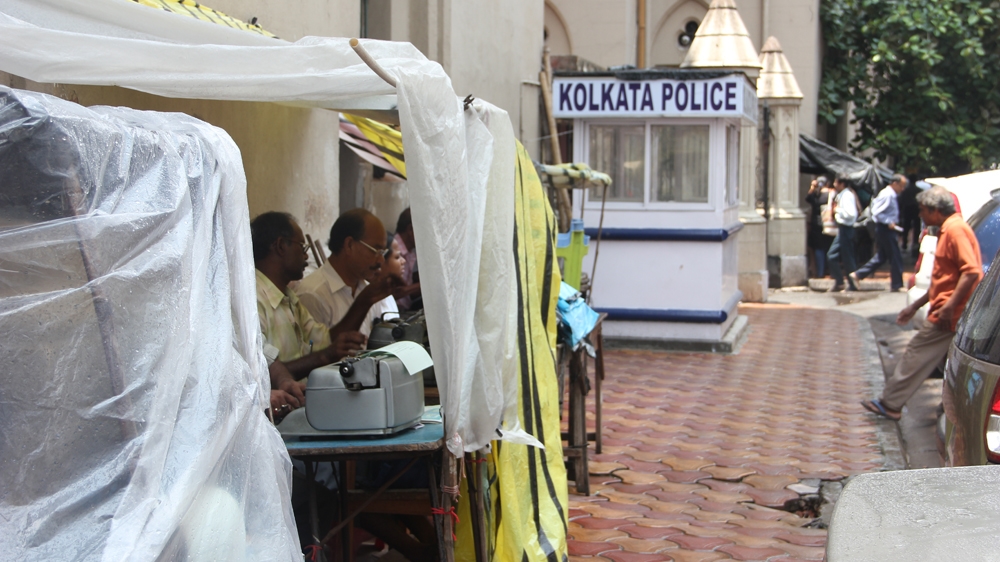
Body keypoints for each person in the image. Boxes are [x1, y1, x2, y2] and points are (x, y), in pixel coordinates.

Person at [862, 186, 982, 420]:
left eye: (923, 210)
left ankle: (891, 402)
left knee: (917, 354)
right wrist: (915, 306)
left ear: (935, 211)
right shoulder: (949, 229)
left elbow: (971, 272)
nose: (920, 215)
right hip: (949, 310)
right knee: (952, 367)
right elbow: (945, 279)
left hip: (949, 314)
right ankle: (949, 410)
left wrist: (949, 306)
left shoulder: (955, 230)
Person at [250, 211, 366, 415]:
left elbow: (323, 341)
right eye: (302, 248)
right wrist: (326, 355)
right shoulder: (252, 300)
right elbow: (260, 363)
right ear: (281, 246)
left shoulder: (290, 299)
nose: (306, 257)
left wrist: (366, 301)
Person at [295, 208, 403, 336]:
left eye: (383, 253)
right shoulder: (313, 295)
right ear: (349, 245)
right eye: (376, 251)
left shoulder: (366, 289)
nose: (381, 260)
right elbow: (316, 347)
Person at [850, 174, 908, 291]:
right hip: (885, 229)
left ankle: (858, 274)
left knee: (881, 257)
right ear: (894, 183)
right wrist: (888, 222)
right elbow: (876, 211)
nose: (902, 189)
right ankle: (897, 285)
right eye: (901, 186)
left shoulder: (890, 194)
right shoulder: (887, 194)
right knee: (895, 256)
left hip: (886, 229)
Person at [826, 175, 861, 292]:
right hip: (842, 229)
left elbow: (851, 214)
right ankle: (840, 281)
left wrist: (837, 210)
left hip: (846, 228)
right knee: (832, 255)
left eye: (836, 182)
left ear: (842, 183)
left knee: (847, 258)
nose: (834, 184)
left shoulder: (847, 196)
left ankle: (852, 283)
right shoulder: (841, 195)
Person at [805, 176, 835, 278]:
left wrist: (812, 188)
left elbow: (807, 198)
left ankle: (820, 272)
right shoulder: (831, 194)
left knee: (819, 248)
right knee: (830, 247)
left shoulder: (816, 196)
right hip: (829, 224)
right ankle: (831, 271)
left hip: (817, 224)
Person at [392, 207, 421, 310]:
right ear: (410, 230)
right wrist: (423, 285)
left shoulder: (410, 252)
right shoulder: (392, 249)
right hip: (394, 310)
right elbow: (394, 292)